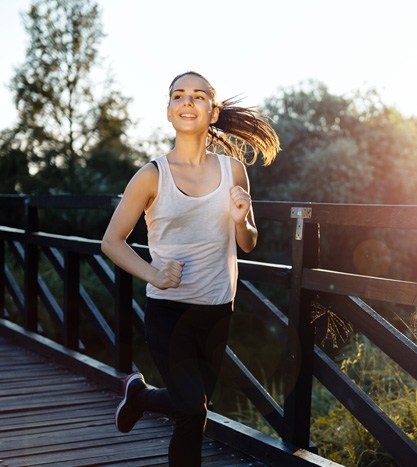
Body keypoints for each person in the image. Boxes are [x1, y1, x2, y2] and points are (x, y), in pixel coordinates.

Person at [101, 71, 280, 466]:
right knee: (192, 414)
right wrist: (153, 274)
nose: (188, 102)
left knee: (194, 404)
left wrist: (240, 219)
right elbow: (111, 241)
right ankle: (143, 396)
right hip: (168, 312)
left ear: (212, 112)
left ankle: (141, 396)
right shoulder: (152, 175)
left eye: (198, 96)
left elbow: (248, 242)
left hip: (217, 309)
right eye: (179, 96)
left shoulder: (233, 170)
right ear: (168, 112)